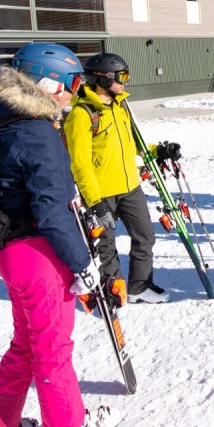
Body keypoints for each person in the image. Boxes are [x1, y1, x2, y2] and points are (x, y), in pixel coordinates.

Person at [0, 42, 122, 427]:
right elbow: (51, 209)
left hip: (13, 254)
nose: (75, 93)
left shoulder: (0, 125)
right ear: (47, 82)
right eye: (73, 83)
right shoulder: (35, 132)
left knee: (25, 344)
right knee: (51, 347)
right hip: (40, 255)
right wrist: (82, 264)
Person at [64, 52, 173, 305]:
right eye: (121, 77)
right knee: (106, 247)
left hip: (130, 188)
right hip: (101, 193)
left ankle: (139, 287)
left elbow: (132, 143)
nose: (125, 82)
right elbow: (79, 163)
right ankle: (114, 291)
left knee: (145, 237)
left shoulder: (119, 105)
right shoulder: (82, 114)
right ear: (103, 79)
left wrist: (157, 151)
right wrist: (95, 202)